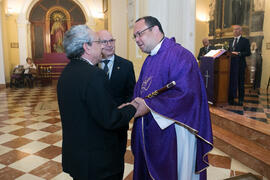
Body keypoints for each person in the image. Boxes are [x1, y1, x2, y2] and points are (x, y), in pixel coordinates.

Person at [131, 16, 213, 180]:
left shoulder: (180, 55)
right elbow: (142, 89)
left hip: (175, 132)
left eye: (139, 34)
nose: (137, 40)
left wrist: (149, 106)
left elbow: (187, 94)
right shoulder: (150, 59)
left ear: (155, 30)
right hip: (150, 129)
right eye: (135, 36)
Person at [57, 25, 138, 180]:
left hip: (77, 157)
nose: (102, 46)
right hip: (98, 161)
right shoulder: (94, 75)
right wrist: (132, 108)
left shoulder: (67, 72)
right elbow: (110, 119)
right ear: (86, 47)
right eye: (98, 42)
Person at [98, 30, 136, 179]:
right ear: (97, 44)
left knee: (117, 162)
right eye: (104, 41)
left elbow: (131, 92)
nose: (109, 45)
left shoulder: (126, 65)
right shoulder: (92, 66)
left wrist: (124, 110)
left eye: (111, 40)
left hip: (118, 124)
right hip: (97, 124)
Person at [228, 25, 251, 106]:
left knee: (240, 83)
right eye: (234, 30)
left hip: (240, 65)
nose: (235, 31)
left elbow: (248, 53)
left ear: (241, 31)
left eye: (237, 29)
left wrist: (239, 53)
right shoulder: (231, 41)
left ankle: (241, 99)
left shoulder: (245, 41)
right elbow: (229, 52)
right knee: (231, 82)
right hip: (231, 65)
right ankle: (231, 98)